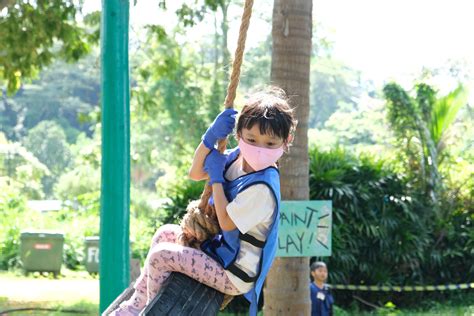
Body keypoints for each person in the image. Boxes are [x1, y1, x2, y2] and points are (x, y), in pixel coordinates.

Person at [110, 87, 297, 316]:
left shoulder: (262, 188)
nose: (259, 149)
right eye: (252, 139)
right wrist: (209, 139)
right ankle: (133, 307)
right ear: (239, 135)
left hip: (234, 272)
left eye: (270, 144)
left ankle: (150, 311)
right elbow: (196, 172)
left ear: (287, 141)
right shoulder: (239, 157)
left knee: (163, 256)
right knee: (165, 233)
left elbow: (227, 223)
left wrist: (217, 180)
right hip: (219, 252)